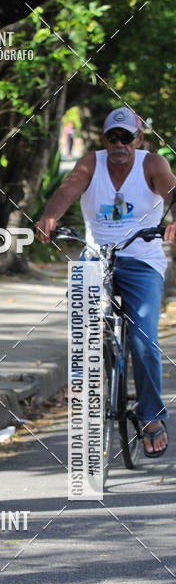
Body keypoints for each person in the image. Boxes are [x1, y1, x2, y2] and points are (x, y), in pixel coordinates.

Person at [37, 106, 176, 458]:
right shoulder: (90, 164)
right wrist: (50, 215)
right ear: (104, 139)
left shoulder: (152, 164)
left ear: (139, 140)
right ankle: (85, 378)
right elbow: (67, 190)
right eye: (112, 137)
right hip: (97, 255)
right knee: (80, 309)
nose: (119, 144)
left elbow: (172, 193)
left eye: (126, 138)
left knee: (144, 338)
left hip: (142, 258)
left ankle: (150, 417)